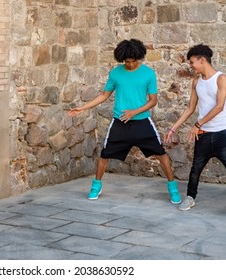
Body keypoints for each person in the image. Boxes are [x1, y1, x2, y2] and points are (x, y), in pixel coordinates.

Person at [68, 39, 181, 204]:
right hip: (120, 123)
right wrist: (83, 108)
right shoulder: (115, 73)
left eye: (132, 61)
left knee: (161, 155)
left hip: (142, 122)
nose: (129, 64)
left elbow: (153, 101)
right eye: (126, 61)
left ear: (138, 57)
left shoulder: (148, 73)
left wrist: (134, 112)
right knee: (104, 155)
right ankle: (96, 186)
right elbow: (104, 95)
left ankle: (173, 189)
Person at [164, 44, 226, 221]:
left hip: (222, 133)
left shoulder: (221, 79)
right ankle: (190, 197)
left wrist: (198, 123)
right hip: (203, 134)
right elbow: (190, 108)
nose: (191, 66)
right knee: (195, 169)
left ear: (202, 60)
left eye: (192, 62)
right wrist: (173, 128)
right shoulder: (196, 81)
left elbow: (219, 106)